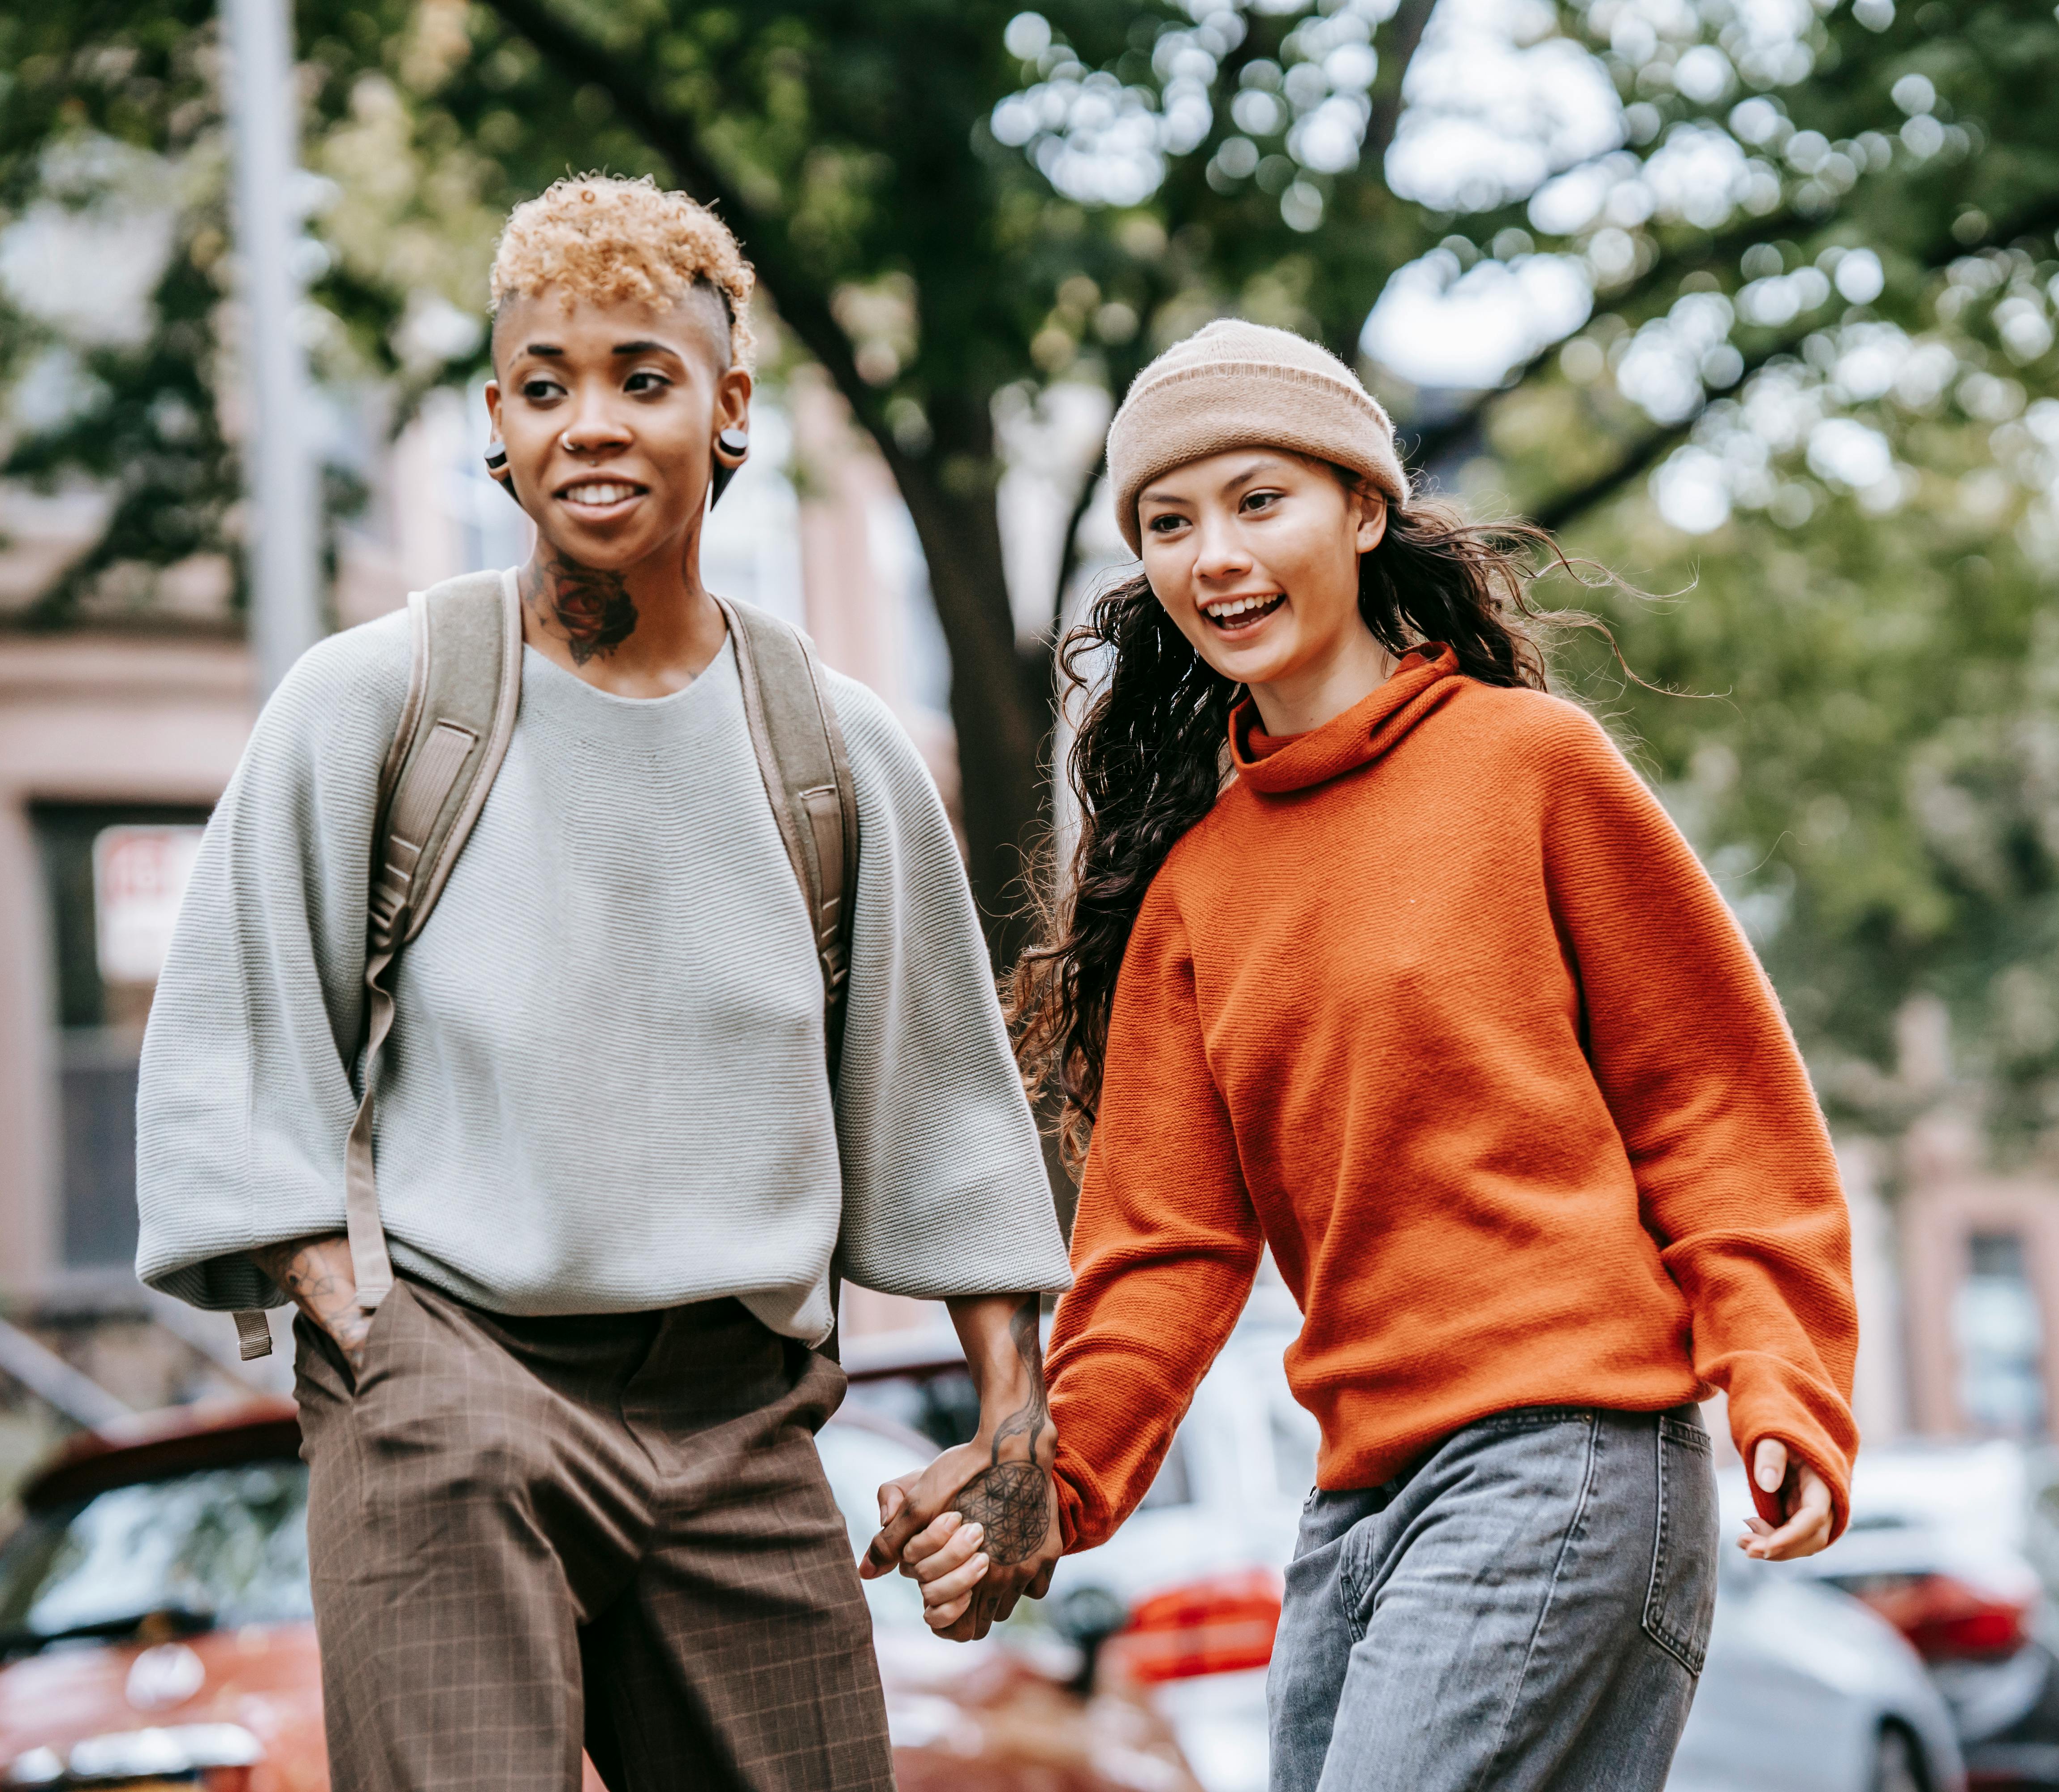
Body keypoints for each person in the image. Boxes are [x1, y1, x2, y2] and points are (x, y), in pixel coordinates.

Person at [136, 175, 1070, 1792]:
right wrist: (352, 1316)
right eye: (546, 386)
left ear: (727, 409)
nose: (591, 424)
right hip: (454, 1382)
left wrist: (1012, 1420)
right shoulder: (378, 702)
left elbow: (943, 1105)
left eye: (642, 378)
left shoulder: (834, 752)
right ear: (494, 426)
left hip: (747, 1423)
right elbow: (236, 1019)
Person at [867, 320, 1860, 1791]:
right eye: (1169, 522)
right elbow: (1163, 1248)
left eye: (1259, 500)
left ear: (1364, 508)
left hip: (1567, 1455)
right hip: (1361, 1496)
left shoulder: (1532, 769)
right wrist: (1054, 1476)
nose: (1215, 556)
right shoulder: (1198, 890)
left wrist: (1779, 1368)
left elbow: (1714, 1098)